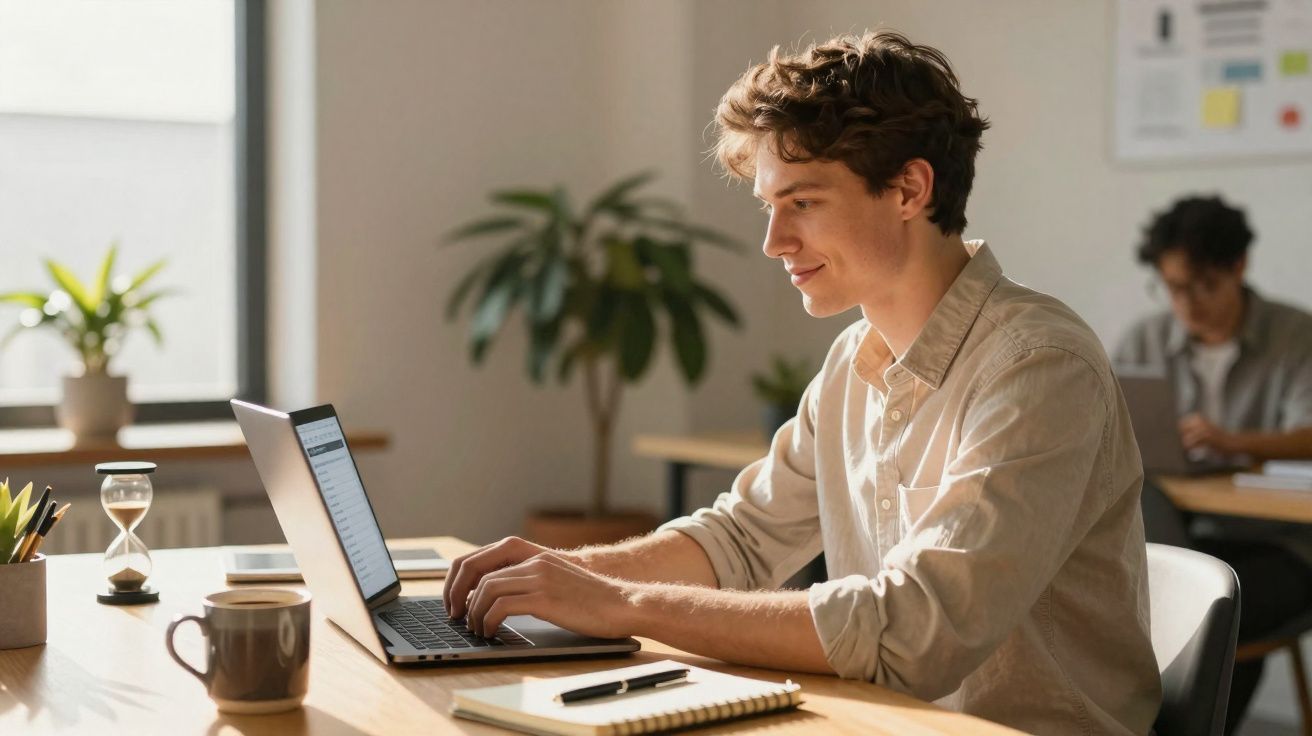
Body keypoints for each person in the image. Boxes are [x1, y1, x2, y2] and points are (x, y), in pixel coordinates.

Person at [446, 30, 1161, 734]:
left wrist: (624, 604)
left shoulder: (1038, 366)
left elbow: (916, 628)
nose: (774, 242)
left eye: (804, 203)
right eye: (769, 206)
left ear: (909, 189)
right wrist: (564, 578)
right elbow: (741, 540)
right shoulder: (854, 358)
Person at [1117, 195, 1312, 734]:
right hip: (1182, 532)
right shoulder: (1146, 339)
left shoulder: (1295, 336)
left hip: (1285, 542)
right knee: (1132, 593)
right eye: (1173, 287)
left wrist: (1238, 442)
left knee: (1213, 613)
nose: (1186, 303)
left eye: (1202, 285)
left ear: (1238, 268)